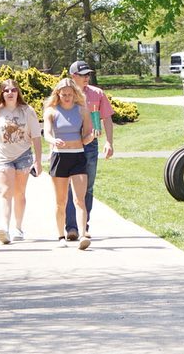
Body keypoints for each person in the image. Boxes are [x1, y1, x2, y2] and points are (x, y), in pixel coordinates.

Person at [0, 79, 42, 244]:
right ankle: (4, 228)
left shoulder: (27, 111)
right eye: (6, 90)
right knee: (5, 192)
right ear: (2, 93)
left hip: (23, 156)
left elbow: (36, 137)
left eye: (13, 90)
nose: (10, 93)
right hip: (2, 157)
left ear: (18, 92)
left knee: (19, 193)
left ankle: (18, 228)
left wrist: (38, 161)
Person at [64, 60, 115, 240]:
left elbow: (107, 118)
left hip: (90, 145)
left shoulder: (97, 94)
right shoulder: (66, 93)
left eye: (88, 74)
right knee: (70, 186)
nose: (87, 77)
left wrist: (109, 142)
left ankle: (83, 225)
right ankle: (71, 227)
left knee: (88, 186)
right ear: (73, 76)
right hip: (70, 144)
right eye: (83, 75)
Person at [43, 77, 94, 250]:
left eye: (70, 95)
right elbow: (47, 133)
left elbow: (86, 137)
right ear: (58, 94)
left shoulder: (82, 111)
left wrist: (92, 136)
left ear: (75, 94)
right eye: (63, 94)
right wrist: (54, 140)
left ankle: (82, 235)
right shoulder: (51, 111)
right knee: (61, 201)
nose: (67, 97)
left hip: (78, 155)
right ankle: (60, 236)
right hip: (59, 157)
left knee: (80, 199)